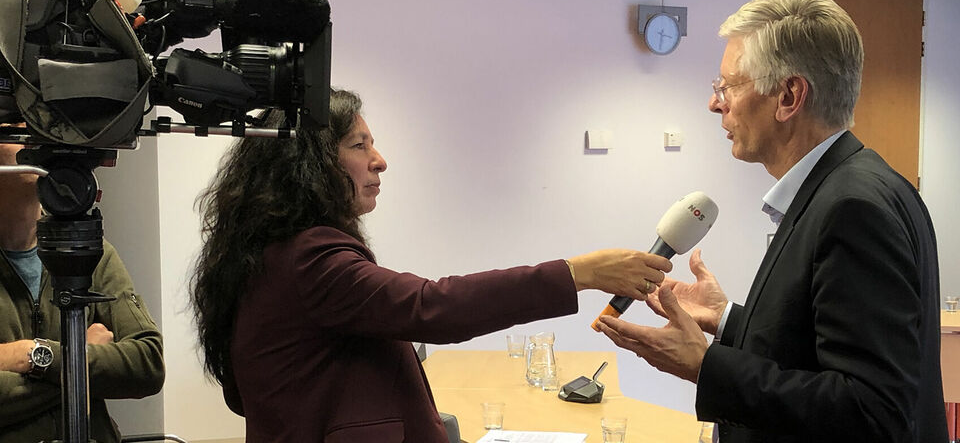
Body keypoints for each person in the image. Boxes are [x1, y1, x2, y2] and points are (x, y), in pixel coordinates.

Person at [191, 90, 674, 442]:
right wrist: (577, 272)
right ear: (308, 163)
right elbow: (431, 306)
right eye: (359, 146)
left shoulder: (273, 248)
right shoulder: (310, 258)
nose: (380, 160)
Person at [595, 0, 946, 442]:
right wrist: (726, 318)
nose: (715, 103)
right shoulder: (849, 186)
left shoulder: (853, 208)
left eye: (728, 86)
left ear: (788, 96)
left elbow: (870, 411)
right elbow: (813, 349)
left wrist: (705, 366)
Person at [0, 131, 165, 443]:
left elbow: (148, 364)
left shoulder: (91, 250)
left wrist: (33, 355)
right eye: (14, 128)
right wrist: (83, 363)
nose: (31, 139)